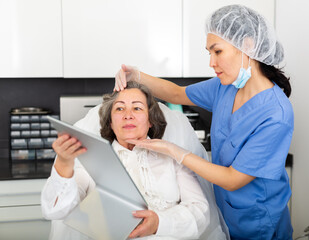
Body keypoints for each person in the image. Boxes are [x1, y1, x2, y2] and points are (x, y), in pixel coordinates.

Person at [114, 4, 294, 240]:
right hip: (224, 215)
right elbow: (178, 94)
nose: (211, 62)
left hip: (258, 222)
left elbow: (232, 179)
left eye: (217, 52)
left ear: (248, 45)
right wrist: (136, 76)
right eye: (209, 53)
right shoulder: (225, 87)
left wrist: (174, 151)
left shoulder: (276, 114)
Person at [41, 81, 211, 239]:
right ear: (110, 122)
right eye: (120, 109)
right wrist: (64, 163)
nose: (128, 115)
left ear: (150, 120)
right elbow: (55, 211)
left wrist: (159, 223)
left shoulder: (172, 158)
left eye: (137, 108)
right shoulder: (94, 161)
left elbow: (201, 212)